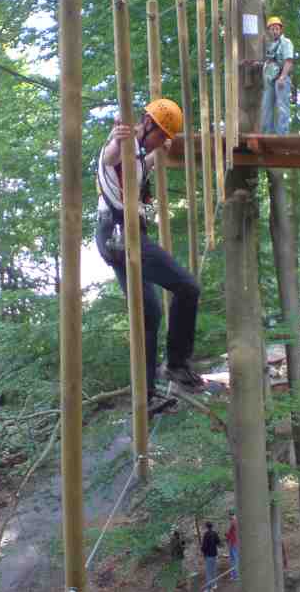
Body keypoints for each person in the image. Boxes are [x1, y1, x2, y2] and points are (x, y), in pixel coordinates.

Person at [95, 98, 204, 418]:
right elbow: (113, 151)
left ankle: (145, 394)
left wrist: (164, 146)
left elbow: (157, 155)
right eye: (162, 134)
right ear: (147, 127)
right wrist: (118, 135)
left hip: (121, 237)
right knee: (188, 288)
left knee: (150, 313)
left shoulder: (144, 157)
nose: (165, 141)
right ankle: (176, 365)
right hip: (119, 234)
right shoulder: (120, 148)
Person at [252, 15, 294, 135]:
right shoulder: (272, 45)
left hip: (281, 78)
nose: (274, 31)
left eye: (276, 28)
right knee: (266, 107)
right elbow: (270, 63)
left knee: (282, 107)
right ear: (269, 31)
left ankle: (282, 134)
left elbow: (289, 60)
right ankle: (267, 133)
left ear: (280, 30)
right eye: (272, 29)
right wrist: (259, 64)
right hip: (270, 80)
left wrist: (283, 77)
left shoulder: (286, 42)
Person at [201, 521, 221, 590]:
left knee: (208, 572)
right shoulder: (214, 533)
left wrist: (202, 551)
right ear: (211, 526)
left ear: (206, 527)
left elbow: (204, 546)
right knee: (214, 570)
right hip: (215, 554)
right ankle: (214, 584)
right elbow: (218, 542)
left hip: (208, 555)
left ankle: (209, 588)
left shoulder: (206, 534)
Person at [225, 510, 239, 580]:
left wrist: (227, 535)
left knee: (234, 559)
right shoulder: (234, 522)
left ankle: (235, 575)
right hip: (233, 543)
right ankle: (234, 575)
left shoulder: (234, 522)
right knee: (233, 559)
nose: (229, 517)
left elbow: (230, 533)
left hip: (234, 543)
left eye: (229, 515)